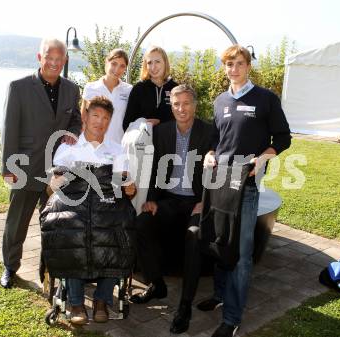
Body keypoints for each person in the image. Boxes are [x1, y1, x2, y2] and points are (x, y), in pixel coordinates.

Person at [170, 45, 291, 337]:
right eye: (228, 64)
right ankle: (221, 294)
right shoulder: (221, 100)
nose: (233, 69)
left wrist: (262, 158)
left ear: (248, 66)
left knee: (241, 252)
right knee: (219, 241)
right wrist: (210, 153)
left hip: (245, 186)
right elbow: (216, 137)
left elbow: (284, 137)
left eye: (239, 63)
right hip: (217, 183)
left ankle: (232, 318)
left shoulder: (265, 99)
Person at [43, 96, 136, 325]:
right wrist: (55, 182)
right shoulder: (67, 148)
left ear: (110, 121)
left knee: (116, 234)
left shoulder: (117, 150)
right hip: (75, 209)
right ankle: (75, 302)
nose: (100, 122)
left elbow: (127, 189)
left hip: (106, 209)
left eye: (105, 118)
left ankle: (102, 300)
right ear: (85, 117)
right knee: (68, 231)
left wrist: (130, 188)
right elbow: (50, 191)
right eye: (95, 116)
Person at [0, 37, 82, 289]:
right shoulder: (19, 87)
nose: (54, 63)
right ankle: (10, 268)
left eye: (59, 59)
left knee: (53, 225)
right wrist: (8, 167)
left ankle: (48, 271)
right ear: (40, 58)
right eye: (49, 57)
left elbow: (76, 120)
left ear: (65, 60)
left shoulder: (71, 89)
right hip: (24, 168)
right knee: (16, 224)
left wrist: (74, 132)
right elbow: (9, 129)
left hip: (56, 172)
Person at [129, 84, 212, 304]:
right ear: (172, 107)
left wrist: (205, 200)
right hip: (170, 199)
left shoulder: (209, 131)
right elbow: (157, 168)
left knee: (194, 236)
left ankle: (185, 304)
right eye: (176, 104)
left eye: (186, 103)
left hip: (196, 202)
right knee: (140, 225)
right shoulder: (162, 131)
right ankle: (157, 284)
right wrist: (152, 200)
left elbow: (217, 172)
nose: (181, 109)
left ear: (194, 105)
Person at [81, 49, 132, 143]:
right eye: (114, 63)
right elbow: (83, 119)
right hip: (92, 145)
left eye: (122, 66)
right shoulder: (91, 88)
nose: (117, 69)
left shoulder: (129, 90)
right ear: (106, 62)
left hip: (118, 146)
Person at [122, 46, 178, 130]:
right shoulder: (139, 89)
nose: (153, 67)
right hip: (143, 142)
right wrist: (144, 125)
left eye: (157, 62)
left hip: (169, 141)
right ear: (145, 65)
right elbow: (127, 123)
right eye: (149, 63)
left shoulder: (175, 88)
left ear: (165, 63)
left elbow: (183, 120)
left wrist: (160, 122)